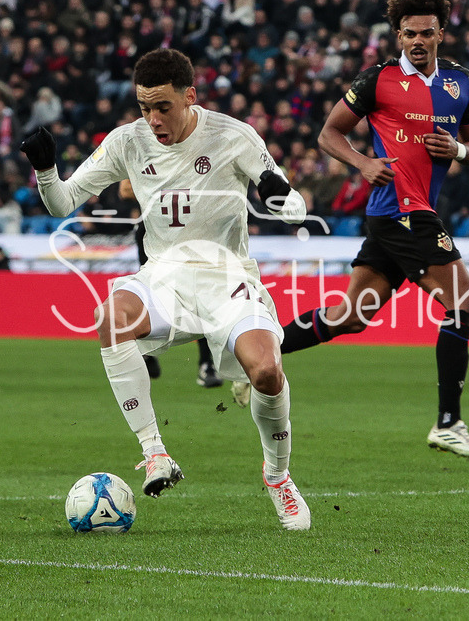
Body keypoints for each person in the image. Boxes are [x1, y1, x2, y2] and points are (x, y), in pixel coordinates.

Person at [20, 48, 311, 530]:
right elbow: (62, 203)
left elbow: (292, 202)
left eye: (163, 108)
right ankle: (155, 453)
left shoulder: (233, 136)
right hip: (164, 275)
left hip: (226, 275)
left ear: (189, 96)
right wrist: (46, 170)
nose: (153, 119)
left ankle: (277, 476)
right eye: (143, 107)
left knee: (265, 372)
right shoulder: (127, 141)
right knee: (110, 320)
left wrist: (280, 198)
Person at [272, 0, 469, 460]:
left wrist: (457, 150)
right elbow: (329, 133)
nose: (417, 40)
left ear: (441, 34)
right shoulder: (378, 80)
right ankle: (449, 423)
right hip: (401, 213)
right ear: (398, 35)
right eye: (409, 33)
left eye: (426, 33)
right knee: (464, 302)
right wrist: (363, 164)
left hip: (398, 219)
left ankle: (255, 358)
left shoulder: (462, 82)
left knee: (351, 317)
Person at [118, 177, 223, 388]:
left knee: (196, 294)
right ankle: (147, 353)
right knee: (151, 291)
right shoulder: (147, 154)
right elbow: (126, 189)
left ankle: (206, 363)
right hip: (152, 233)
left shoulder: (193, 153)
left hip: (189, 233)